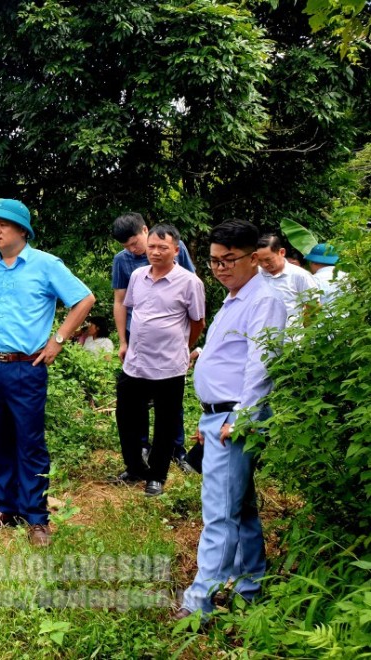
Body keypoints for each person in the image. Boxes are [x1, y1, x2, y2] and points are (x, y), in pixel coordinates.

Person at [0, 198, 95, 547]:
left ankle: (37, 517)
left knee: (29, 441)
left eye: (1, 224)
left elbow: (84, 299)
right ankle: (6, 507)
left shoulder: (45, 265)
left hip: (27, 368)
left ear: (21, 230)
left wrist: (58, 340)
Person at [176, 219, 286, 620]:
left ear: (254, 257)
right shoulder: (235, 296)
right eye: (213, 261)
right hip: (218, 418)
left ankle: (198, 604)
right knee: (240, 507)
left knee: (219, 515)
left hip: (234, 418)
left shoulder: (264, 300)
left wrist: (239, 418)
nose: (220, 268)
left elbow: (262, 365)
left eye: (229, 260)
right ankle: (251, 586)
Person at [114, 225, 205, 496]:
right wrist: (125, 344)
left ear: (176, 250)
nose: (155, 252)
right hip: (136, 362)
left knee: (166, 422)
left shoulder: (190, 282)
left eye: (162, 247)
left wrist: (182, 347)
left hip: (169, 365)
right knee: (126, 416)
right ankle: (134, 468)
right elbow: (131, 308)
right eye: (152, 246)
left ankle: (157, 476)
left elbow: (198, 322)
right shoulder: (137, 276)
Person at [255, 233, 319, 323]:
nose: (264, 264)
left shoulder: (300, 275)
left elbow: (313, 306)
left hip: (291, 335)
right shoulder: (254, 275)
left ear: (282, 252)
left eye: (268, 260)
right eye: (260, 261)